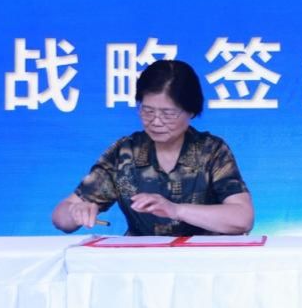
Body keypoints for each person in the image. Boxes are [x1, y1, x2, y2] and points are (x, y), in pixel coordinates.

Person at [52, 59, 254, 236]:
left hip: (202, 260)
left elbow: (242, 218)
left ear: (191, 111)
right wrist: (75, 212)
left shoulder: (211, 150)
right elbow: (61, 218)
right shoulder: (125, 152)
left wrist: (176, 210)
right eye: (147, 111)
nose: (156, 122)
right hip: (140, 261)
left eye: (168, 113)